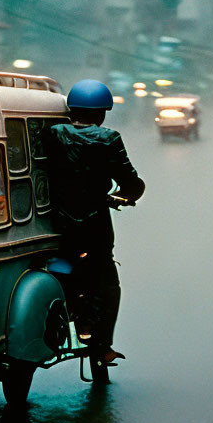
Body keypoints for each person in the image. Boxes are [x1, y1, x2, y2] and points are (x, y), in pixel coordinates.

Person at [45, 79, 145, 369]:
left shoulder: (52, 134)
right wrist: (128, 194)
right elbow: (129, 181)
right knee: (108, 284)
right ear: (102, 112)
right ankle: (103, 346)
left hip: (56, 224)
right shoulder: (108, 138)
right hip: (94, 226)